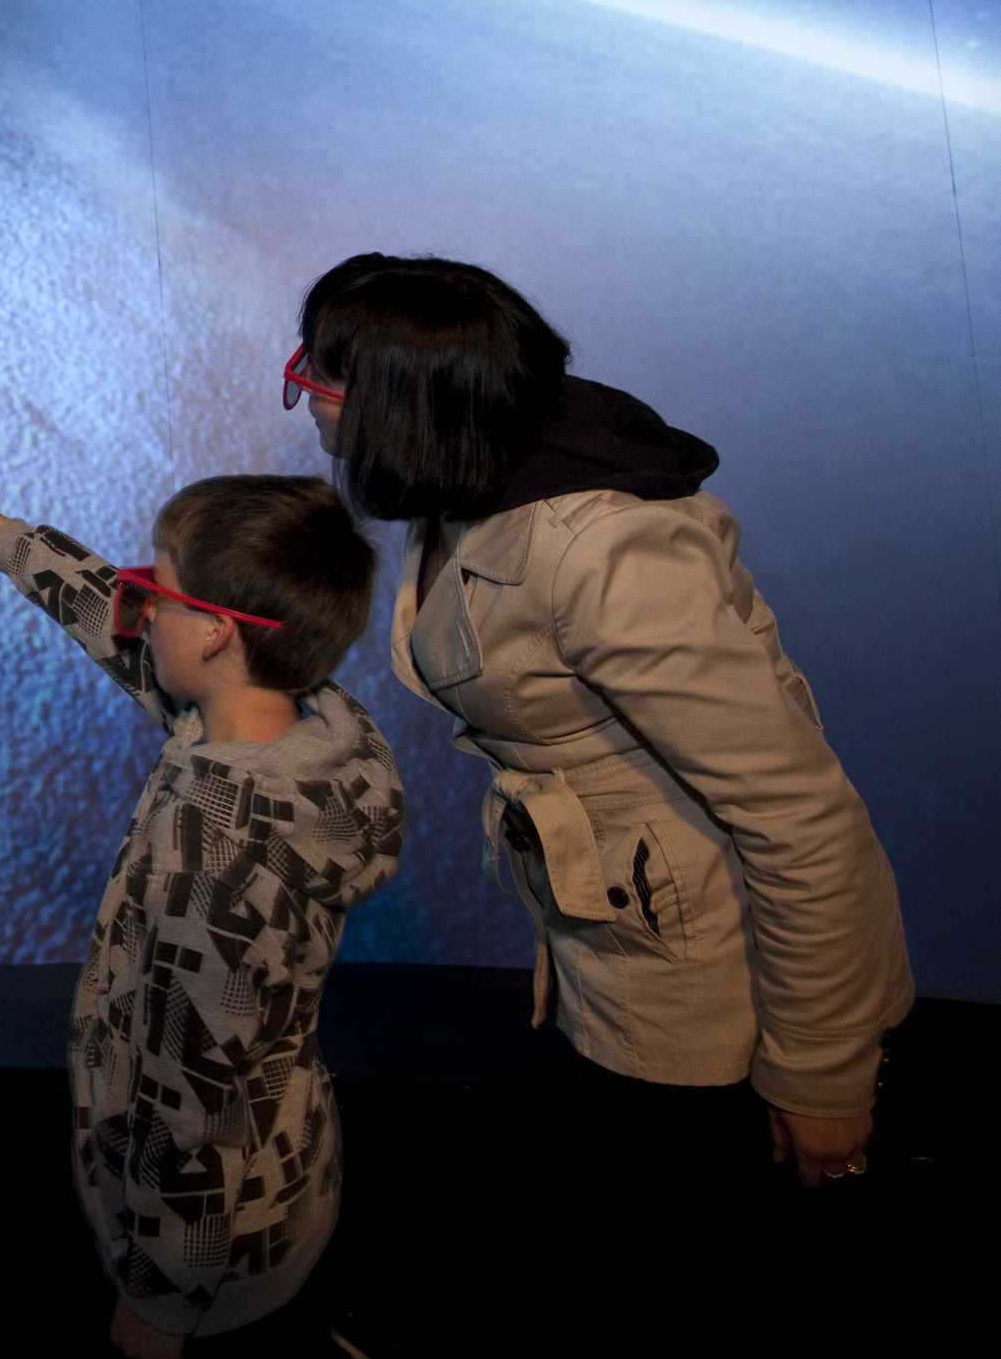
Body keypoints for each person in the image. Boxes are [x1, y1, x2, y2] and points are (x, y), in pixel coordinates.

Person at [285, 254, 911, 1198]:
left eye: (319, 376)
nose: (306, 398)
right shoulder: (471, 476)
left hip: (716, 1000)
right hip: (622, 948)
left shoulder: (607, 555)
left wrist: (820, 1070)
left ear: (407, 399)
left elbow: (801, 817)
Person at [0, 450, 403, 1359]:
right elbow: (119, 624)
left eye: (160, 590)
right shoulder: (320, 732)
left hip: (203, 1265)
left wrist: (161, 1302)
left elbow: (193, 1112)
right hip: (288, 1179)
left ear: (218, 633)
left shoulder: (208, 870)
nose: (140, 603)